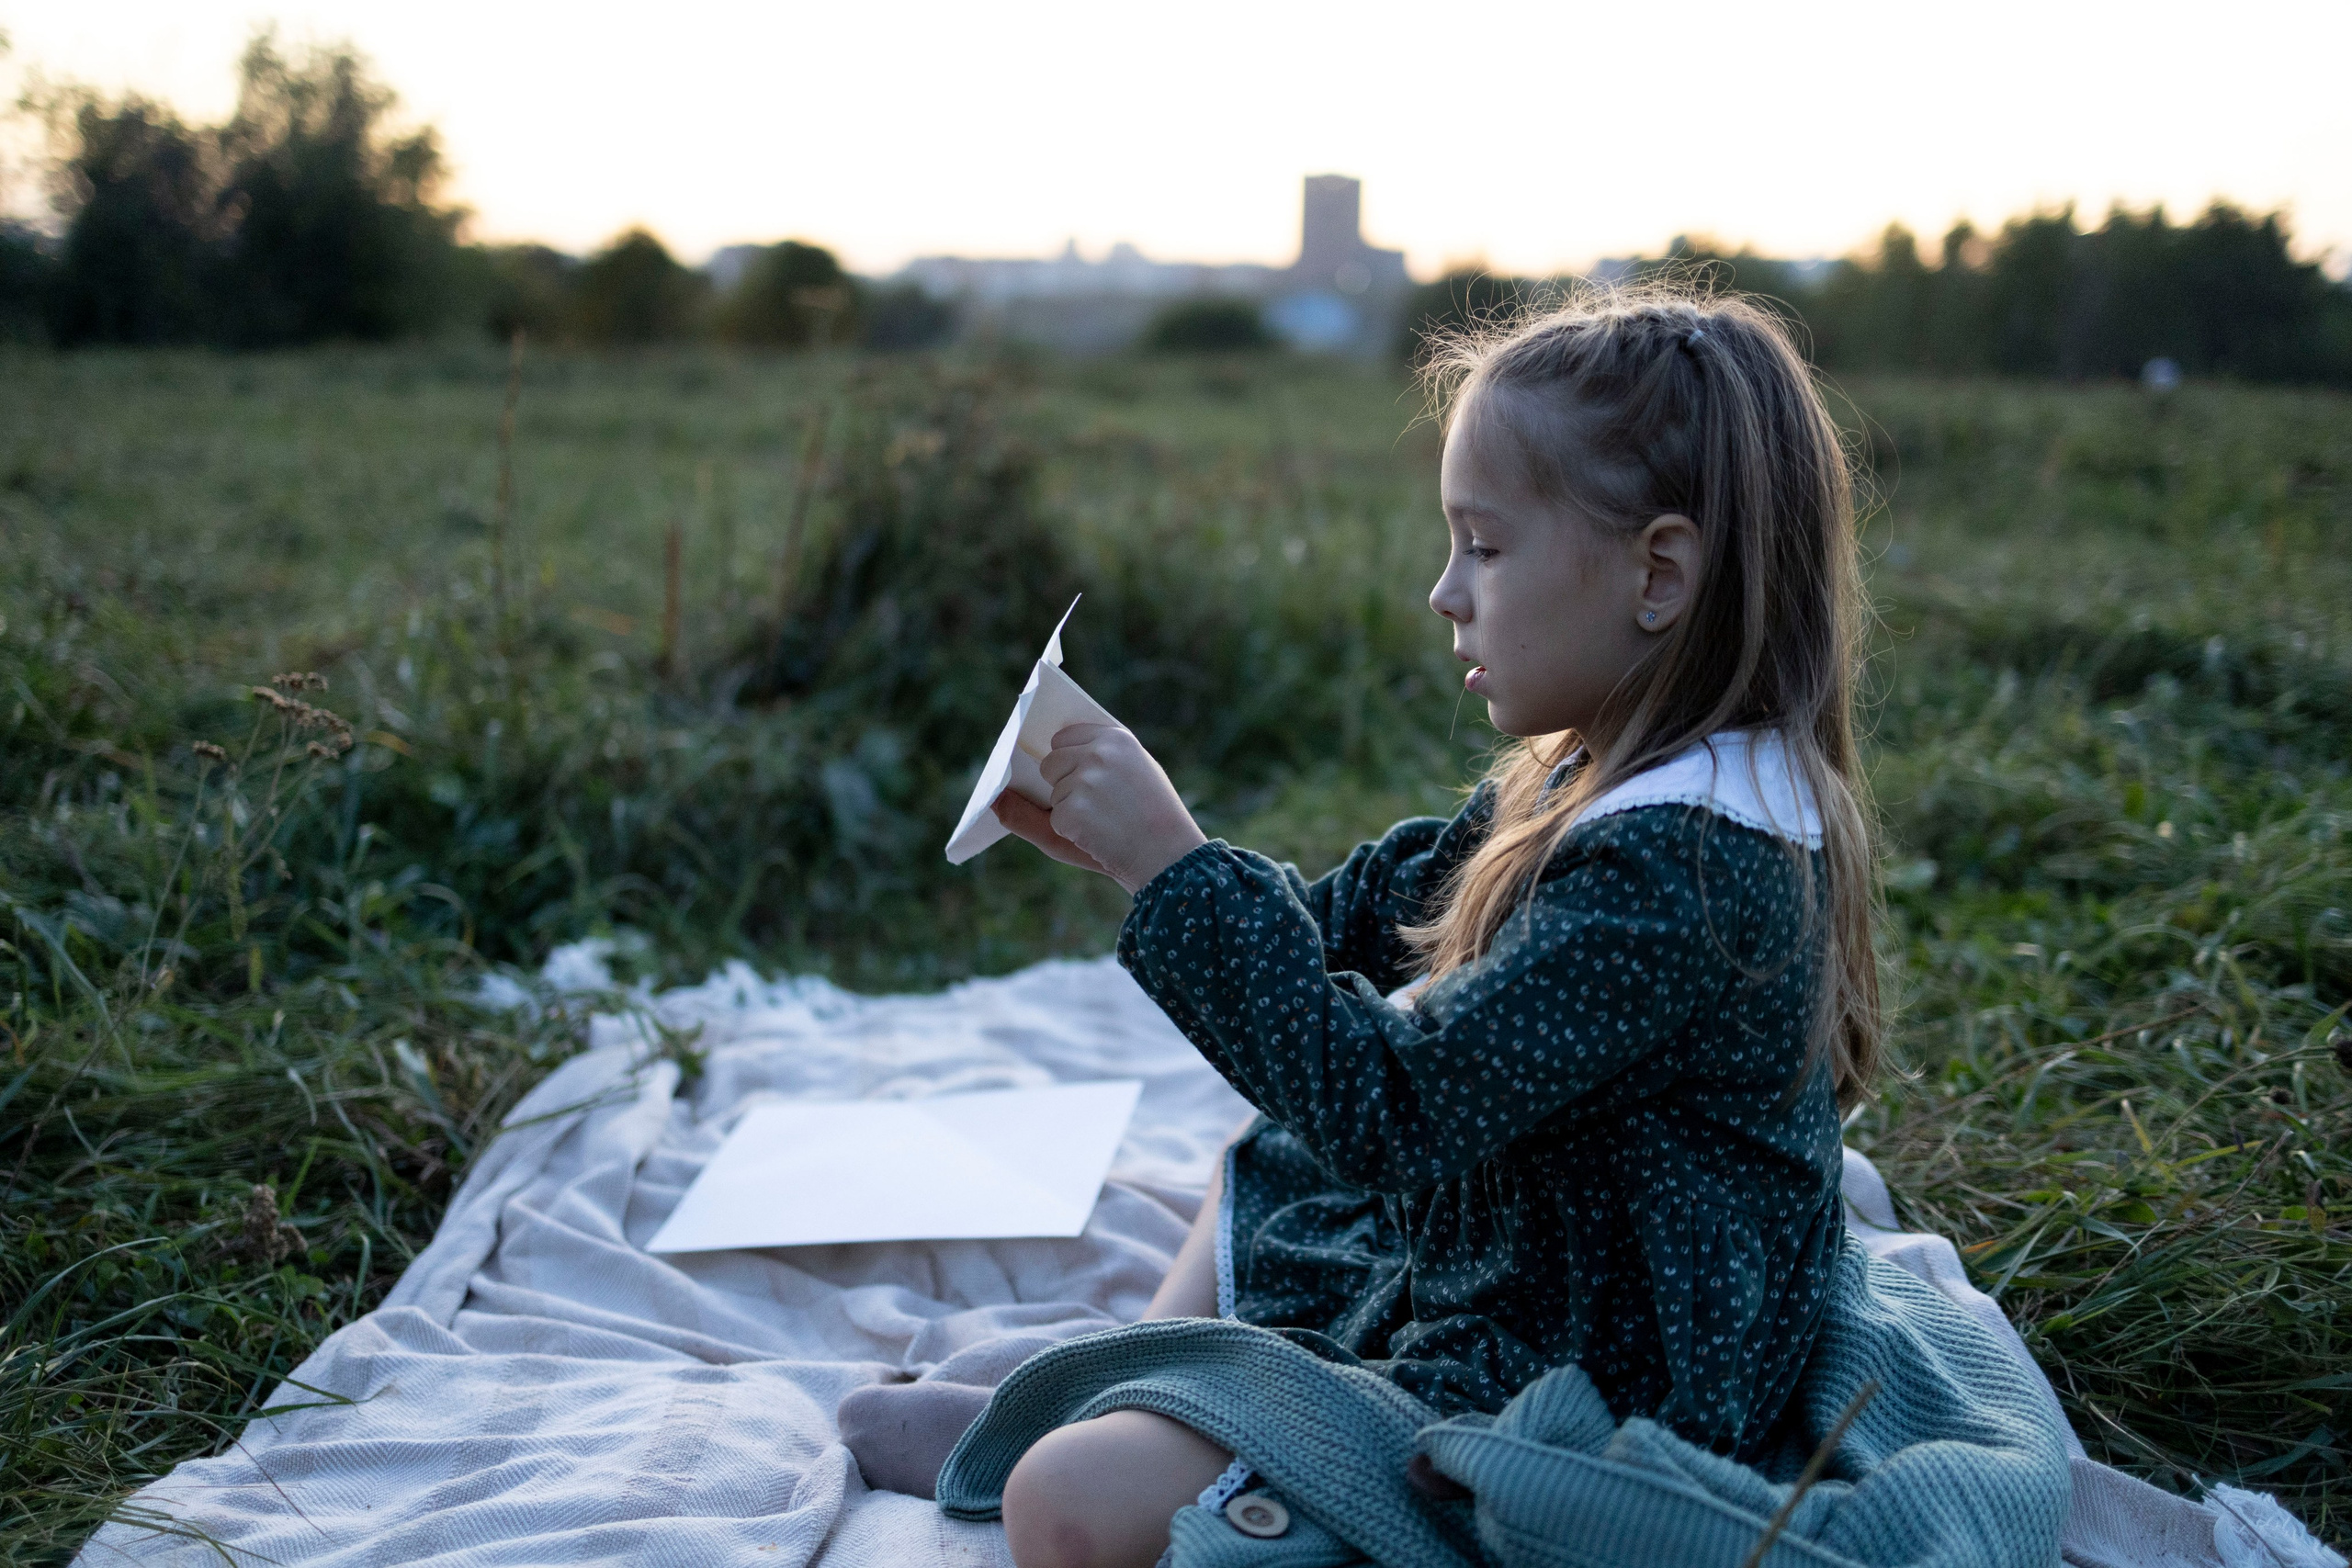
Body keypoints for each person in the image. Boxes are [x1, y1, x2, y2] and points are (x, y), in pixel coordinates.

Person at [888, 288, 1883, 1568]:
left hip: (1593, 1394)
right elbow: (1351, 928)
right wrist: (1149, 855)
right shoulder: (1586, 780)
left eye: (1485, 545)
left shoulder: (1681, 879)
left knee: (1063, 1509)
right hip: (1527, 1272)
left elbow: (1388, 1112)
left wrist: (1179, 877)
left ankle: (1139, 1423)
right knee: (1271, 1149)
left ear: (1659, 573)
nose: (1442, 593)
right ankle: (1138, 1384)